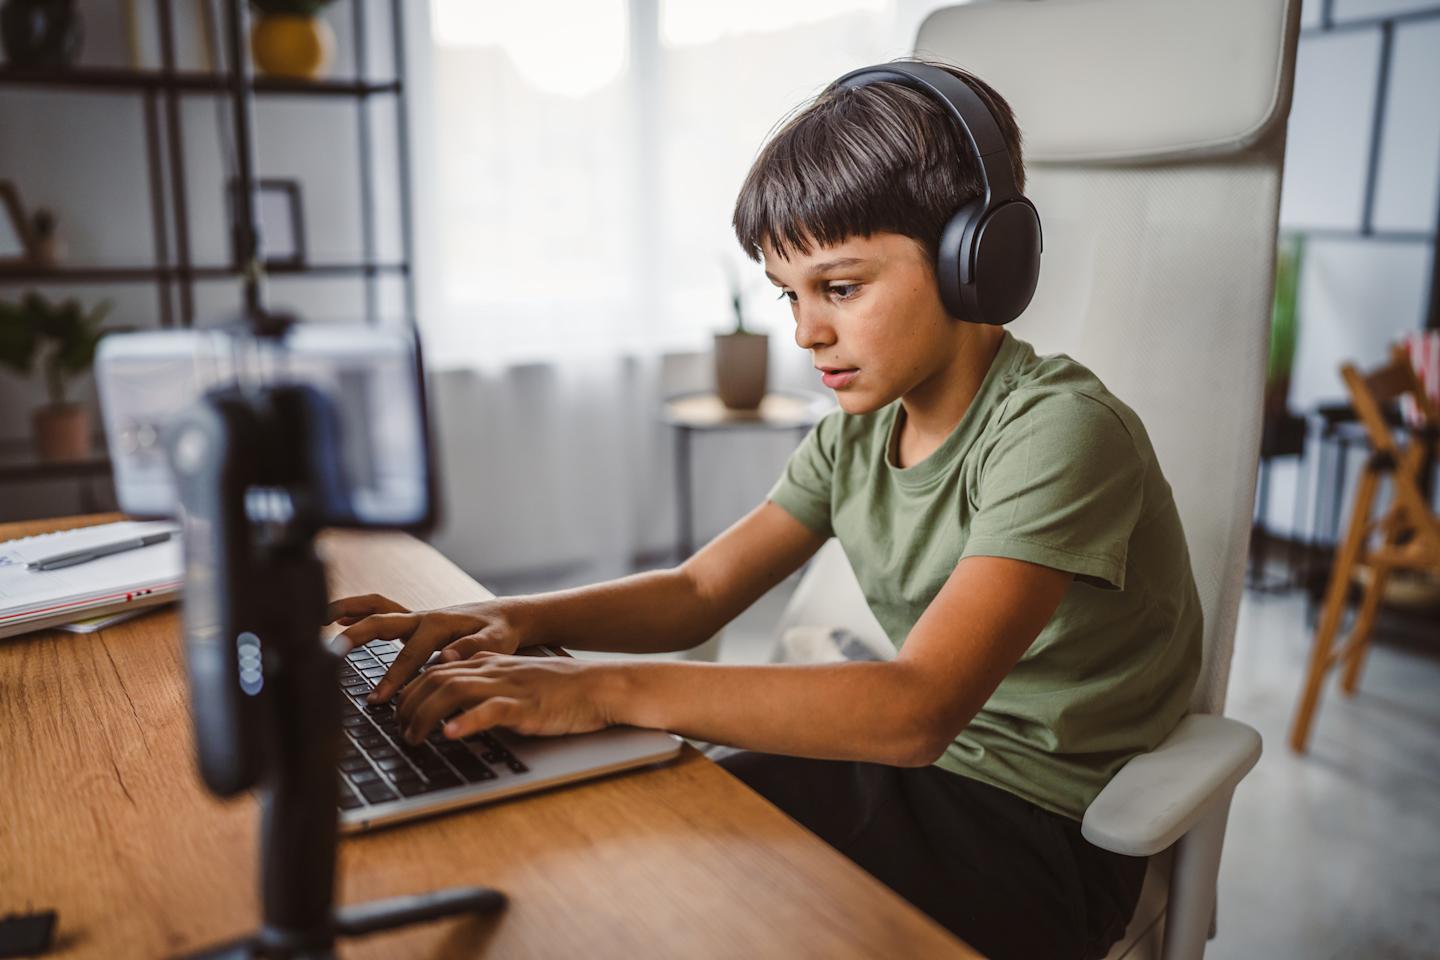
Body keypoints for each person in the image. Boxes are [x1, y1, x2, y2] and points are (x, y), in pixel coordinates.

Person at [328, 59, 1201, 960]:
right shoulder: (856, 436)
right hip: (903, 777)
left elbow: (916, 710)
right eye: (791, 294)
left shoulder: (1059, 432)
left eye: (841, 286)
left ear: (975, 262)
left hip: (1033, 832)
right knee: (607, 851)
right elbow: (700, 590)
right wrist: (510, 617)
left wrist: (599, 687)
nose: (805, 332)